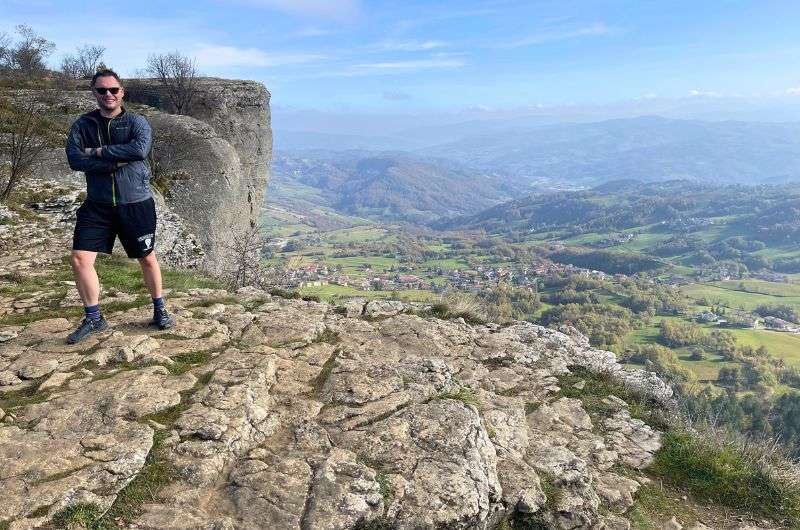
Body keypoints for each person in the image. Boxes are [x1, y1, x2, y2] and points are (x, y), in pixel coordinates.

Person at [64, 69, 172, 344]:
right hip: (98, 204)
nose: (108, 95)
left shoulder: (137, 122)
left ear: (122, 92)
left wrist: (97, 152)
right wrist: (113, 160)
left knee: (147, 257)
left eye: (113, 90)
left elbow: (139, 151)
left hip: (135, 202)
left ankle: (159, 308)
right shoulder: (83, 124)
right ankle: (94, 318)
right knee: (80, 259)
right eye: (102, 90)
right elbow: (75, 159)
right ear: (94, 93)